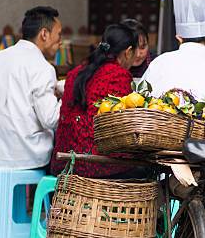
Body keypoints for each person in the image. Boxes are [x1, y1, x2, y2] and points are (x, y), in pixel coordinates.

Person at [0, 6, 62, 170]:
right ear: (44, 34)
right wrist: (68, 95)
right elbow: (51, 119)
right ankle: (39, 197)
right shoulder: (43, 68)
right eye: (58, 34)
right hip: (25, 158)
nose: (60, 41)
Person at [50, 24, 141, 178]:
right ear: (128, 52)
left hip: (63, 163)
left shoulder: (76, 72)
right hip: (93, 165)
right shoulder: (118, 75)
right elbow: (123, 125)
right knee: (147, 170)